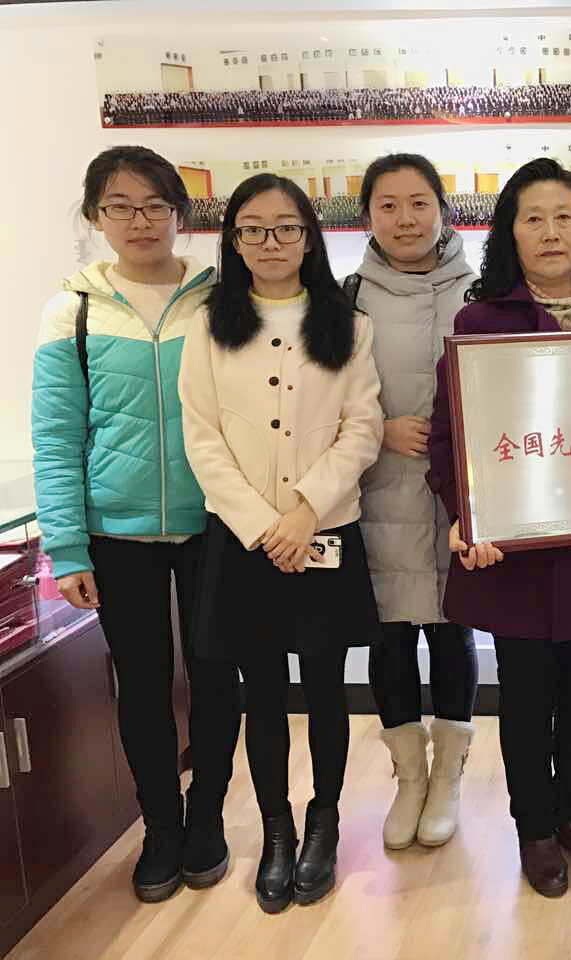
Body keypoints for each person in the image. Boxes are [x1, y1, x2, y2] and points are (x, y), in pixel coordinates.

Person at [426, 158, 571, 898]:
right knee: (525, 699)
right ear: (511, 234)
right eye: (534, 218)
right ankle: (535, 829)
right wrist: (466, 515)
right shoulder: (479, 324)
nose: (551, 231)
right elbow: (448, 439)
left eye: (564, 216)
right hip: (514, 554)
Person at [31, 146, 241, 904]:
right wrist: (67, 546)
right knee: (144, 688)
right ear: (96, 215)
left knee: (216, 677)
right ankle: (160, 827)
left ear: (180, 214)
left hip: (215, 524)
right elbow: (57, 437)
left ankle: (207, 817)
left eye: (156, 205)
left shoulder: (221, 300)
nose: (141, 221)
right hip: (116, 534)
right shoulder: (74, 311)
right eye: (120, 206)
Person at [179, 173, 384, 913]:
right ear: (234, 241)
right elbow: (202, 438)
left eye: (286, 227)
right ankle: (276, 829)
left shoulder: (348, 325)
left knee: (326, 689)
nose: (271, 242)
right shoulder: (208, 325)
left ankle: (325, 822)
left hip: (322, 532)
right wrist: (265, 526)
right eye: (254, 229)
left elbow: (363, 429)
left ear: (309, 237)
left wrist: (304, 513)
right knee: (260, 693)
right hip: (244, 540)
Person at [348, 153, 480, 851]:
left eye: (419, 203)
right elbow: (318, 397)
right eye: (388, 205)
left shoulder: (482, 290)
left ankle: (448, 779)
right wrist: (378, 428)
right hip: (379, 491)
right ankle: (409, 778)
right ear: (368, 215)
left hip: (462, 497)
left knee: (456, 632)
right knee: (391, 636)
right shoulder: (346, 298)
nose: (405, 219)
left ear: (443, 210)